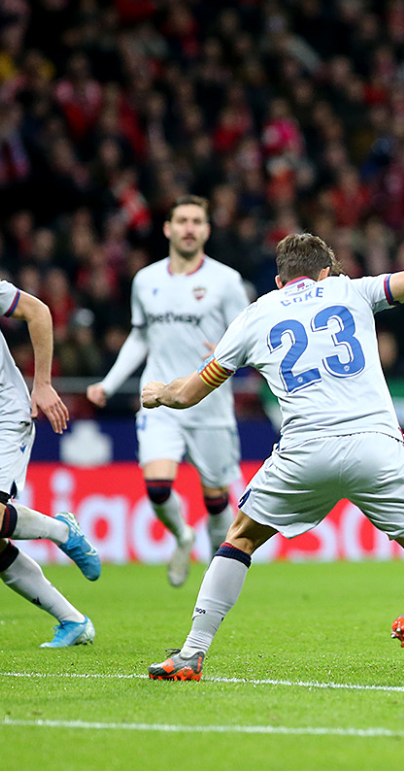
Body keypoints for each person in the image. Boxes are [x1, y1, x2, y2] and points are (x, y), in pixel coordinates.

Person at [141, 233, 404, 683]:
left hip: (303, 451)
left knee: (239, 539)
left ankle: (192, 652)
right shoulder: (351, 290)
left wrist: (159, 395)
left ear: (279, 281)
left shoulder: (254, 315)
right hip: (374, 445)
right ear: (326, 272)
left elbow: (189, 393)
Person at [87, 195, 250, 587]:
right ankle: (182, 535)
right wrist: (108, 384)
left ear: (207, 230)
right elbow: (140, 337)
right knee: (157, 486)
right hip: (159, 398)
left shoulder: (225, 281)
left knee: (216, 499)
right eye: (182, 221)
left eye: (197, 221)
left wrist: (233, 352)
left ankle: (216, 575)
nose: (189, 228)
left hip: (209, 402)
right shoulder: (146, 280)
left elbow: (249, 333)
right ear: (168, 228)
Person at [0, 279, 102, 647]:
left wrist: (41, 383)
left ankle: (63, 531)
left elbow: (38, 311)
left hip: (5, 414)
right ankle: (73, 621)